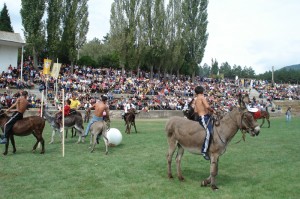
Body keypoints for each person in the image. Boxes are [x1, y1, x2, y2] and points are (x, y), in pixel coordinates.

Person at [194, 86, 214, 160]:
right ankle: (204, 151)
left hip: (202, 116)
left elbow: (195, 111)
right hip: (203, 117)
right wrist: (212, 110)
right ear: (202, 91)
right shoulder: (202, 97)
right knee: (209, 132)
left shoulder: (196, 99)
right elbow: (207, 106)